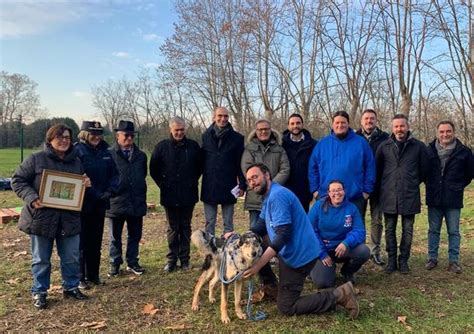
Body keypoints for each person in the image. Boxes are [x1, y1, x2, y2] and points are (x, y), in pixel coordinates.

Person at [242, 163, 360, 319]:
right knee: (257, 242)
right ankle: (272, 287)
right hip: (290, 250)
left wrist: (258, 265)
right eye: (249, 180)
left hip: (300, 256)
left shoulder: (278, 196)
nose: (252, 182)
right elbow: (262, 224)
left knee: (286, 307)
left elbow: (283, 235)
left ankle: (340, 295)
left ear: (267, 175)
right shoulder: (269, 196)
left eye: (255, 177)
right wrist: (242, 236)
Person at [12, 124, 90, 309]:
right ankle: (40, 291)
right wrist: (32, 198)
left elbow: (78, 186)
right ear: (50, 139)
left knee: (71, 256)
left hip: (68, 219)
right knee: (41, 258)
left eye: (67, 138)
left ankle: (71, 287)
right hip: (41, 218)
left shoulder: (76, 161)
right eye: (59, 137)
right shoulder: (36, 159)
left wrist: (85, 183)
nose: (64, 141)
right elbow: (18, 180)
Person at [375, 114, 429, 274]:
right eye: (396, 126)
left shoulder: (418, 146)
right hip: (389, 195)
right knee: (390, 229)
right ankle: (391, 261)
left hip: (409, 194)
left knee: (408, 229)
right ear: (392, 128)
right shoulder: (384, 146)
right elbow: (377, 171)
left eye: (402, 126)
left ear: (407, 127)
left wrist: (411, 181)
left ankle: (403, 260)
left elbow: (424, 170)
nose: (399, 129)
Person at [150, 116, 202, 272]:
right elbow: (153, 169)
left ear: (185, 129)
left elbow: (200, 167)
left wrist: (191, 181)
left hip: (188, 194)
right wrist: (163, 184)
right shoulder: (161, 147)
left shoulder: (193, 146)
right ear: (170, 130)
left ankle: (185, 260)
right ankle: (171, 260)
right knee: (173, 228)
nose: (179, 132)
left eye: (182, 130)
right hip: (169, 194)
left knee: (185, 226)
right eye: (176, 130)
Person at [425, 120, 473, 273]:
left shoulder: (464, 152)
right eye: (442, 132)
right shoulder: (429, 150)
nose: (445, 134)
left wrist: (457, 185)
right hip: (434, 196)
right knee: (433, 230)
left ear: (453, 132)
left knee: (453, 231)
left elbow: (469, 174)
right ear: (437, 133)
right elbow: (424, 171)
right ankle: (432, 258)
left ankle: (454, 261)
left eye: (448, 131)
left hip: (453, 198)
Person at [75, 121, 119, 289]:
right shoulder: (77, 151)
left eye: (99, 133)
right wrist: (96, 193)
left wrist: (110, 191)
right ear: (84, 134)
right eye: (93, 133)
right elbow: (79, 177)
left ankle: (93, 275)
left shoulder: (105, 151)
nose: (97, 137)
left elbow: (115, 174)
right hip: (83, 204)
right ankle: (80, 277)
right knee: (81, 243)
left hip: (101, 203)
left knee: (96, 241)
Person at [308, 111, 375, 218]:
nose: (340, 125)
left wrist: (366, 191)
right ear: (333, 124)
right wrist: (315, 191)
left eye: (343, 123)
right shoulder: (322, 144)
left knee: (355, 231)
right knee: (329, 230)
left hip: (355, 198)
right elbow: (313, 168)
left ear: (348, 124)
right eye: (337, 123)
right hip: (327, 197)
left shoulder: (361, 143)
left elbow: (370, 167)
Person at [308, 180, 370, 288]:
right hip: (323, 249)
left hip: (342, 248)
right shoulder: (318, 207)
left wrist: (346, 243)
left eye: (339, 190)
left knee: (363, 251)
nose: (337, 193)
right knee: (323, 283)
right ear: (328, 193)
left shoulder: (351, 208)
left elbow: (360, 231)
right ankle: (313, 269)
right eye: (333, 191)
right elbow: (310, 231)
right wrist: (322, 252)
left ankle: (347, 271)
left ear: (344, 191)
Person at [107, 120, 147, 277]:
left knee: (135, 235)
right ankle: (114, 263)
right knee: (114, 237)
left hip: (136, 201)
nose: (129, 138)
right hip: (116, 202)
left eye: (132, 135)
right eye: (126, 135)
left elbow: (142, 174)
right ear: (118, 136)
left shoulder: (141, 156)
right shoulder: (109, 154)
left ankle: (132, 262)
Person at [201, 106, 246, 236]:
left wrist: (242, 184)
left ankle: (229, 251)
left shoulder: (237, 138)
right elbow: (201, 160)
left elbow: (240, 163)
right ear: (214, 117)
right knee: (209, 222)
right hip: (210, 185)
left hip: (229, 185)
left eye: (226, 116)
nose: (223, 119)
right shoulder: (205, 136)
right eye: (220, 116)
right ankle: (210, 251)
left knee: (229, 224)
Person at [356, 109, 390, 266]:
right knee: (358, 220)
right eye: (366, 119)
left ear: (376, 121)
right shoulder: (354, 138)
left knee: (377, 220)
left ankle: (375, 251)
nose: (369, 121)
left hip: (378, 187)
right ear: (361, 121)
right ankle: (360, 251)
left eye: (372, 119)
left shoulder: (385, 138)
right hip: (358, 187)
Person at [241, 118, 290, 227]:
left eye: (266, 129)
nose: (263, 132)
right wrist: (259, 183)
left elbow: (285, 169)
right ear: (256, 131)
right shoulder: (249, 149)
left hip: (275, 195)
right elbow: (247, 168)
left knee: (275, 227)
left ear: (271, 130)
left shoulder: (279, 149)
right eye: (260, 129)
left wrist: (271, 186)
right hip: (255, 196)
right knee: (255, 229)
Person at [282, 113, 316, 212]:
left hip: (305, 191)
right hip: (286, 190)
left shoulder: (313, 144)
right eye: (292, 124)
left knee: (302, 222)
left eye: (298, 123)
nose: (295, 126)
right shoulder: (281, 144)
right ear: (288, 126)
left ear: (302, 124)